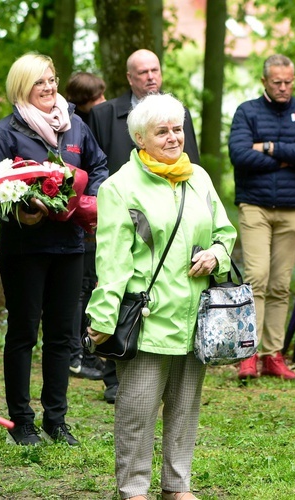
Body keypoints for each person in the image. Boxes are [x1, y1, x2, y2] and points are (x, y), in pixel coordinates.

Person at [86, 93, 236, 500]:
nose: (173, 138)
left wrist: (216, 256)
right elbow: (112, 260)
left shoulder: (199, 178)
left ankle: (177, 485)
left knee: (185, 408)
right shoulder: (119, 187)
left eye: (177, 129)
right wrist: (102, 318)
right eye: (162, 131)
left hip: (195, 316)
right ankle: (134, 488)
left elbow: (225, 234)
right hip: (149, 317)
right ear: (139, 138)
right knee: (137, 409)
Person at [0, 53, 107, 446]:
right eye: (40, 82)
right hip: (25, 248)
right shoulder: (6, 131)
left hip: (70, 246)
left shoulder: (76, 127)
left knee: (60, 337)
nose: (50, 88)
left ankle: (57, 420)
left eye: (52, 80)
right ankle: (21, 421)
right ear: (22, 87)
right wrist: (24, 210)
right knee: (23, 333)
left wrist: (94, 197)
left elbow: (99, 168)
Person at [88, 48, 200, 404]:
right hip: (123, 206)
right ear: (130, 77)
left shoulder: (177, 114)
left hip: (168, 214)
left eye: (155, 70)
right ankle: (114, 372)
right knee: (119, 286)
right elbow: (96, 164)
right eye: (142, 71)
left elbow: (189, 161)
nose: (150, 76)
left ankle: (165, 375)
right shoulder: (106, 113)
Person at [228, 54, 295, 380]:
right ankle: (248, 353)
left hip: (293, 208)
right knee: (256, 277)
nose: (283, 88)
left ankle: (273, 354)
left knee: (281, 284)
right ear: (265, 82)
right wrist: (287, 154)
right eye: (277, 82)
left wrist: (265, 147)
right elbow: (239, 156)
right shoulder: (247, 111)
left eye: (288, 82)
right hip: (254, 206)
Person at [65, 72, 107, 381]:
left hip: (92, 213)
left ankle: (82, 351)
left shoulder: (92, 125)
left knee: (86, 286)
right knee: (81, 290)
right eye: (97, 98)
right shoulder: (75, 128)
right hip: (79, 220)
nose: (103, 102)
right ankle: (76, 354)